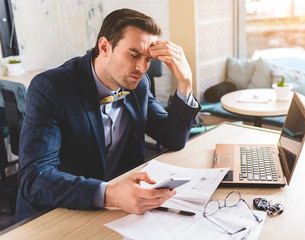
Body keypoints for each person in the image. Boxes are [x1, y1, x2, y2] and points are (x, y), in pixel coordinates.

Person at [15, 8, 200, 222]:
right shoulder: (51, 87)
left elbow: (173, 138)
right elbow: (34, 177)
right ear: (104, 47)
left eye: (148, 59)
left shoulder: (138, 85)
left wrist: (185, 82)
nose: (142, 68)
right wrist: (110, 194)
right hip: (53, 215)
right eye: (133, 55)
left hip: (114, 213)